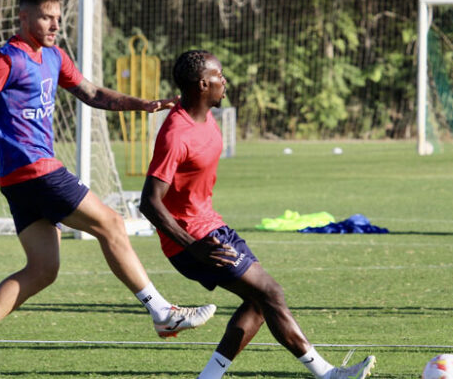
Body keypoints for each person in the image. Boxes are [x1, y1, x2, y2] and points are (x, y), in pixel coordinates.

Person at [0, 0, 215, 378]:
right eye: (47, 17)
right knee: (112, 224)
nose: (54, 25)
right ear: (24, 16)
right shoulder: (7, 60)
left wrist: (142, 105)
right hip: (36, 171)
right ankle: (162, 313)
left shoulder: (54, 57)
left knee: (43, 268)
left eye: (58, 18)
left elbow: (93, 94)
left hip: (19, 183)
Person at [139, 49, 376, 379]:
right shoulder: (176, 134)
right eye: (219, 76)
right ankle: (329, 374)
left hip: (212, 226)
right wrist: (192, 245)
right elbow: (149, 202)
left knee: (259, 303)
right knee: (270, 294)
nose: (226, 81)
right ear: (203, 84)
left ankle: (208, 377)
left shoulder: (202, 115)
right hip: (193, 240)